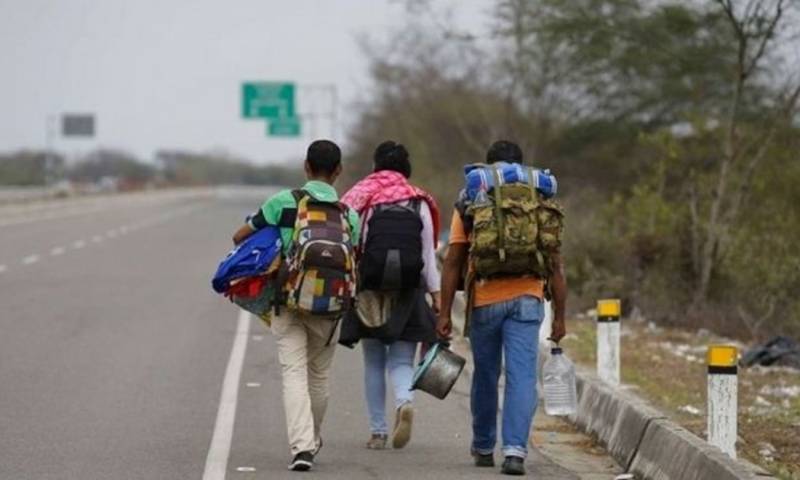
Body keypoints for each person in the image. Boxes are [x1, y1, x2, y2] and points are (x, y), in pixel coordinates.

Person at [436, 140, 567, 476]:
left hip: (485, 299)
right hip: (528, 298)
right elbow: (555, 262)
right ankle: (514, 452)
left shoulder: (472, 195)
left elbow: (453, 261)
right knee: (522, 377)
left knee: (486, 373)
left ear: (489, 166)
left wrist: (443, 312)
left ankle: (483, 446)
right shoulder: (540, 195)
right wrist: (561, 317)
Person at [231, 140, 360, 472]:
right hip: (331, 307)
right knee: (319, 376)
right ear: (338, 171)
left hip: (288, 301)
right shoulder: (349, 214)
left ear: (306, 167)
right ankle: (313, 439)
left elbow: (241, 235)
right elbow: (354, 255)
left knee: (293, 373)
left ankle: (302, 448)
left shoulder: (282, 202)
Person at [338, 141, 441, 451]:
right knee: (400, 360)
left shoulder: (364, 197)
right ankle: (404, 401)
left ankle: (378, 431)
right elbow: (427, 256)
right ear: (405, 169)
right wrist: (437, 297)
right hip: (408, 290)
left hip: (370, 290)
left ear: (376, 166)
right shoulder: (419, 201)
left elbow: (355, 246)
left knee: (373, 361)